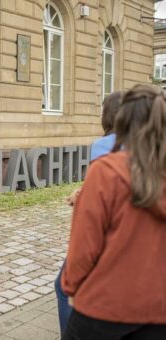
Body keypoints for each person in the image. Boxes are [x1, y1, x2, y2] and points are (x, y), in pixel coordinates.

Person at [61, 84, 166, 339]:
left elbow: (84, 247)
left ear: (123, 120)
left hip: (104, 307)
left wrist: (70, 287)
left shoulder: (106, 172)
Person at [55, 91, 124, 333]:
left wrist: (81, 197)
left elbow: (101, 190)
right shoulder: (144, 144)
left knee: (63, 287)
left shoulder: (104, 144)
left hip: (104, 232)